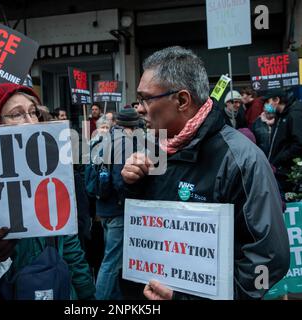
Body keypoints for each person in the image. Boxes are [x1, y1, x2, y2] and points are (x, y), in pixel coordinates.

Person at [121, 46, 289, 300]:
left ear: (182, 100)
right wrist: (133, 182)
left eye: (146, 99)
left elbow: (269, 259)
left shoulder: (242, 160)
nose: (140, 109)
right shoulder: (154, 149)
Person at [0, 83, 95, 300]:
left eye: (33, 112)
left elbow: (70, 249)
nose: (31, 121)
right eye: (17, 115)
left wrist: (87, 297)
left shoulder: (52, 174)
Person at [93, 108, 141, 300]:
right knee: (111, 263)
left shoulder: (106, 139)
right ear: (132, 126)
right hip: (118, 210)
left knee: (112, 260)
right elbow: (120, 181)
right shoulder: (125, 143)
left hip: (104, 209)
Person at [264, 89, 302, 194]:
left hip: (286, 171)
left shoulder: (294, 115)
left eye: (268, 102)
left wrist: (281, 159)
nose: (266, 105)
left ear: (276, 100)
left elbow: (300, 143)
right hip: (277, 169)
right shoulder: (280, 115)